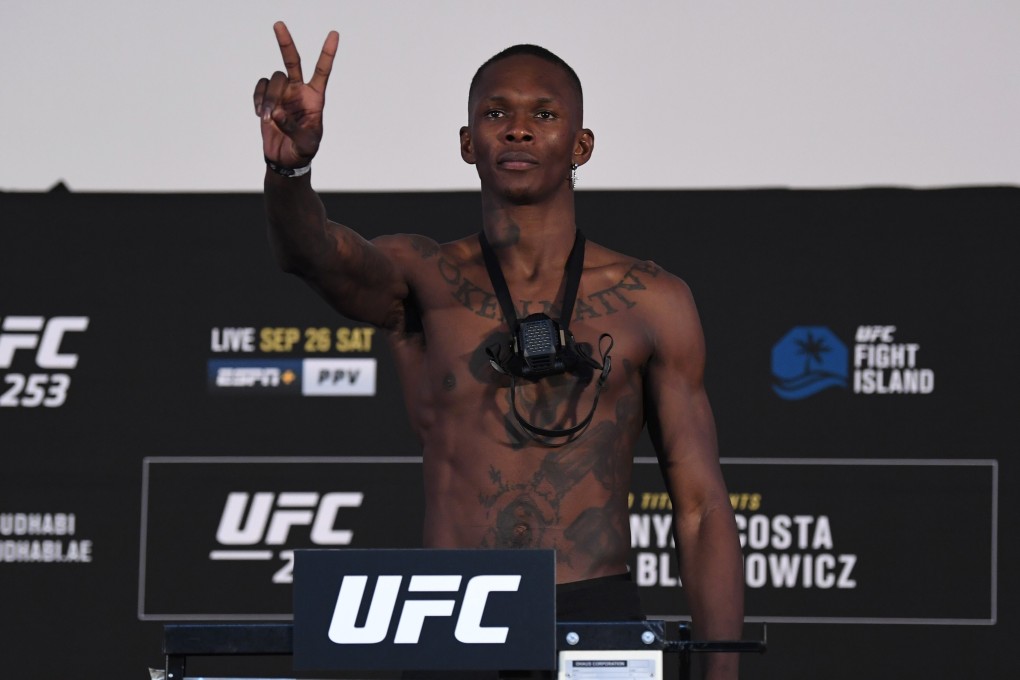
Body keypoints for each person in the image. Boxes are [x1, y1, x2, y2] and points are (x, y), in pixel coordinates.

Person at [254, 21, 744, 679]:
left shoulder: (653, 300)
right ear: (467, 142)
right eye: (496, 114)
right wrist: (291, 171)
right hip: (453, 612)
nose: (518, 130)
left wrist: (722, 672)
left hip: (596, 615)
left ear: (582, 144)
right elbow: (315, 256)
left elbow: (702, 506)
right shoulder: (422, 274)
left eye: (543, 114)